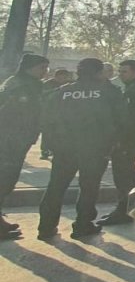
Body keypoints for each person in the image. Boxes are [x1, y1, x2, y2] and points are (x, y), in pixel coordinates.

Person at [37, 58, 126, 242]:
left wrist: (50, 145)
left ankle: (46, 227)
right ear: (99, 72)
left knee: (56, 186)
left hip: (64, 149)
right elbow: (121, 121)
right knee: (89, 187)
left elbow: (47, 120)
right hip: (95, 149)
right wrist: (114, 144)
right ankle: (83, 225)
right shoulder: (109, 92)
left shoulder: (62, 92)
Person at [0, 54, 50, 239]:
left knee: (7, 180)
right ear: (30, 67)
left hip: (17, 139)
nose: (45, 72)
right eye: (42, 68)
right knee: (4, 179)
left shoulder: (23, 83)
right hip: (9, 140)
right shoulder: (21, 86)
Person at [98, 59, 135, 226]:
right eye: (120, 71)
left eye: (124, 72)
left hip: (129, 137)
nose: (121, 75)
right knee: (125, 173)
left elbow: (130, 119)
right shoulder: (132, 87)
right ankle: (127, 209)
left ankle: (123, 211)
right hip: (130, 136)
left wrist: (119, 140)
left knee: (123, 175)